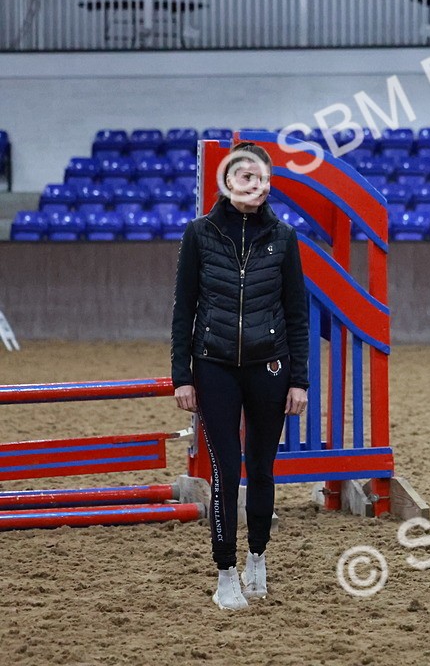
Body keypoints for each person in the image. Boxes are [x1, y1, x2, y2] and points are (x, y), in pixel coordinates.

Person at [171, 142, 310, 610]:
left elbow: (297, 314)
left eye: (263, 178)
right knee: (226, 472)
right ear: (227, 182)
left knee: (263, 470)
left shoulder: (285, 238)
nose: (257, 185)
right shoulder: (199, 234)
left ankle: (258, 557)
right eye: (247, 177)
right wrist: (181, 376)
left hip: (271, 369)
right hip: (212, 370)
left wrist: (300, 381)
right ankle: (225, 571)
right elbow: (183, 309)